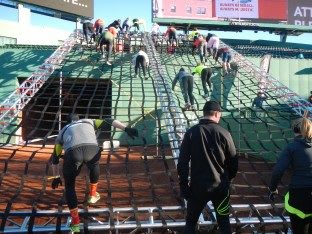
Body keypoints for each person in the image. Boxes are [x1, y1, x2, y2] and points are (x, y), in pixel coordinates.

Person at [50, 113, 138, 233]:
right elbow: (109, 120)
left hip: (72, 153)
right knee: (94, 164)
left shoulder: (63, 131)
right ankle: (92, 195)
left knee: (70, 187)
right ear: (78, 119)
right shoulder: (88, 121)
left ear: (67, 123)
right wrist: (126, 128)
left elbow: (55, 158)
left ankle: (75, 224)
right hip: (92, 149)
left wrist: (56, 177)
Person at [177, 100, 238, 234]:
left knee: (191, 223)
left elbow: (182, 163)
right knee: (224, 222)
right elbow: (233, 162)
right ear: (216, 114)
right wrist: (229, 179)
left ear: (204, 114)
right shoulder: (224, 133)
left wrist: (184, 186)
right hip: (220, 187)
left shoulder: (191, 133)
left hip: (197, 188)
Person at [269, 115, 312, 234]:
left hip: (298, 198)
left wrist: (272, 189)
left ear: (295, 130)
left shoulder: (291, 147)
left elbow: (278, 171)